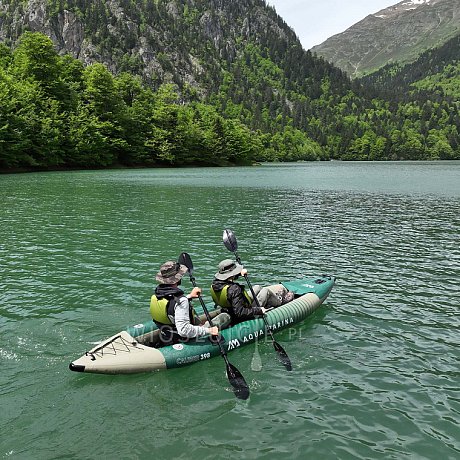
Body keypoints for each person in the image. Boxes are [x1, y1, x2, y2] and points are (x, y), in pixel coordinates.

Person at [150, 260, 230, 345]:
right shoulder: (181, 301)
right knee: (225, 316)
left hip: (167, 334)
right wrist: (209, 330)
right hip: (182, 338)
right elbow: (184, 330)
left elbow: (170, 305)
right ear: (178, 278)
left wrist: (189, 296)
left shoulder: (158, 294)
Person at [210, 259, 293, 325]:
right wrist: (258, 310)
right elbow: (240, 312)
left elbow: (229, 282)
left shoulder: (215, 283)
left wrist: (239, 274)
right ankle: (280, 301)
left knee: (257, 287)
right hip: (241, 315)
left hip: (229, 307)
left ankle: (272, 300)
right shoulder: (234, 289)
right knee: (265, 291)